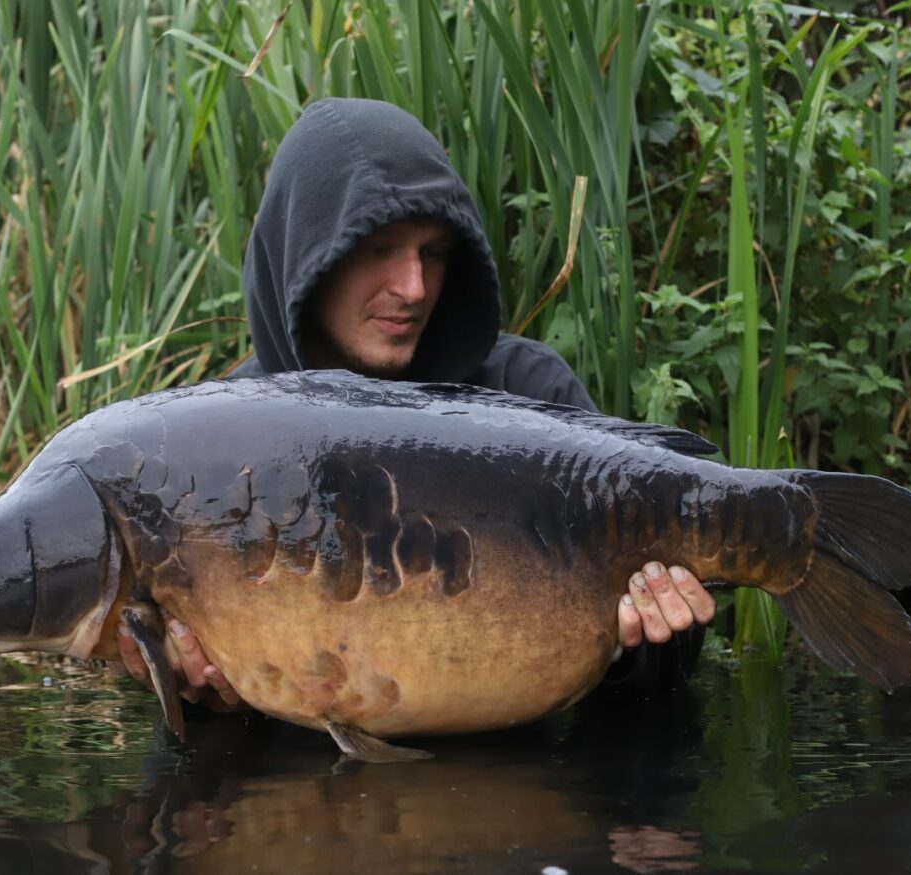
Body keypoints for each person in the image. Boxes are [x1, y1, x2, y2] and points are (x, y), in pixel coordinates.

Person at [119, 97, 716, 709]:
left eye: (433, 253)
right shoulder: (214, 441)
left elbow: (655, 686)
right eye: (379, 248)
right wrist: (200, 698)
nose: (414, 287)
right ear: (308, 258)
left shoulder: (527, 390)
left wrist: (647, 648)